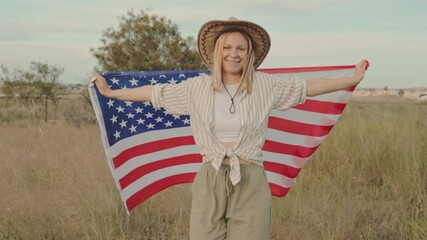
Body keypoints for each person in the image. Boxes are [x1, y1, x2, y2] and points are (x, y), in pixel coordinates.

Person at [92, 17, 368, 240]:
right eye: (227, 47)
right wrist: (113, 94)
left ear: (249, 54)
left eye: (240, 49)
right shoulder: (196, 88)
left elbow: (308, 87)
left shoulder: (265, 85)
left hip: (250, 177)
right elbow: (155, 93)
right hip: (210, 177)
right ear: (216, 52)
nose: (233, 54)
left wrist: (351, 79)